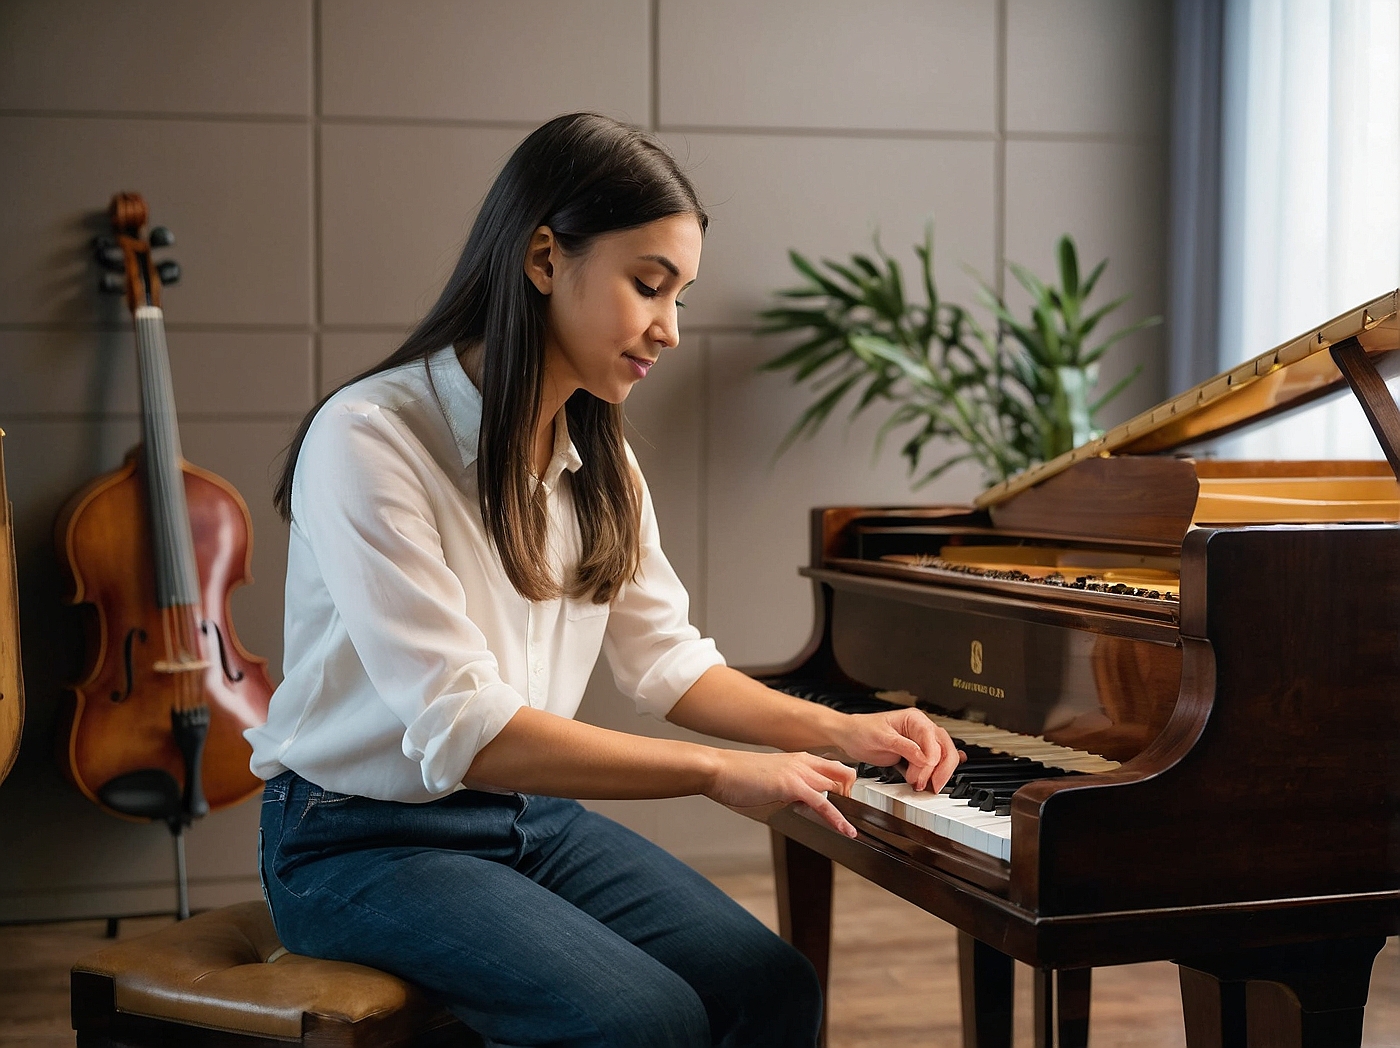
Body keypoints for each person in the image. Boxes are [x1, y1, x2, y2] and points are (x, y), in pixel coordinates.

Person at [247, 112, 962, 1048]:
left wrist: (844, 730)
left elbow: (667, 662)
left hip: (525, 818)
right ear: (545, 258)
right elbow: (468, 729)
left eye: (681, 296)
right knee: (638, 1020)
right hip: (356, 840)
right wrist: (718, 773)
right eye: (649, 286)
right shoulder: (369, 438)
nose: (671, 330)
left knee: (772, 987)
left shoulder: (601, 459)